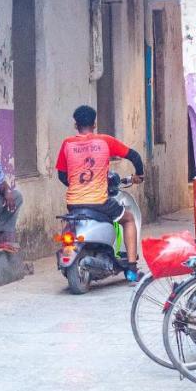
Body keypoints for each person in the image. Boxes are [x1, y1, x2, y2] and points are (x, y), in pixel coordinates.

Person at [56, 105, 147, 281]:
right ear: (94, 124)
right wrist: (139, 175)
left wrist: (76, 184)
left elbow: (62, 175)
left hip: (74, 203)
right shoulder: (105, 141)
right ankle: (132, 269)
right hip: (99, 201)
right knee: (128, 219)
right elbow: (134, 156)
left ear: (76, 125)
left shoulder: (67, 144)